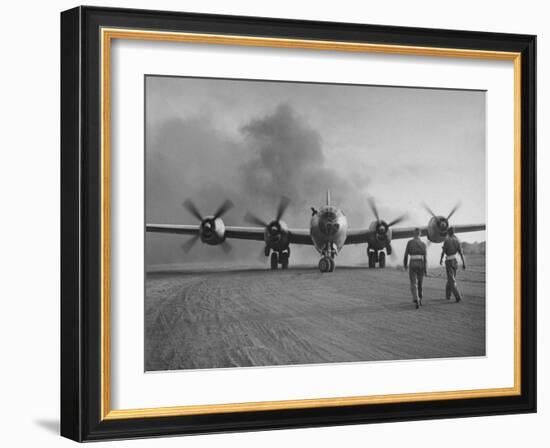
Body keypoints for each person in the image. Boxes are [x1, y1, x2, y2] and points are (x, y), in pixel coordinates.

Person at [439, 227, 466, 302]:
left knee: (451, 280)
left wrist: (441, 259)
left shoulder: (447, 240)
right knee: (450, 279)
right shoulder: (457, 241)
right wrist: (464, 263)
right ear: (453, 232)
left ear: (448, 232)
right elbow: (461, 253)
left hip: (449, 261)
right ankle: (448, 296)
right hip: (455, 261)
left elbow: (443, 252)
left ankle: (458, 297)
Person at [403, 228, 427, 309]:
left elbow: (406, 255)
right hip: (421, 263)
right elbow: (425, 258)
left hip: (412, 262)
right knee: (420, 283)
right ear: (420, 234)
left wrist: (405, 265)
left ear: (414, 234)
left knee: (413, 282)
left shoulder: (410, 242)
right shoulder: (423, 244)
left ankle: (416, 298)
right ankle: (420, 299)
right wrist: (426, 269)